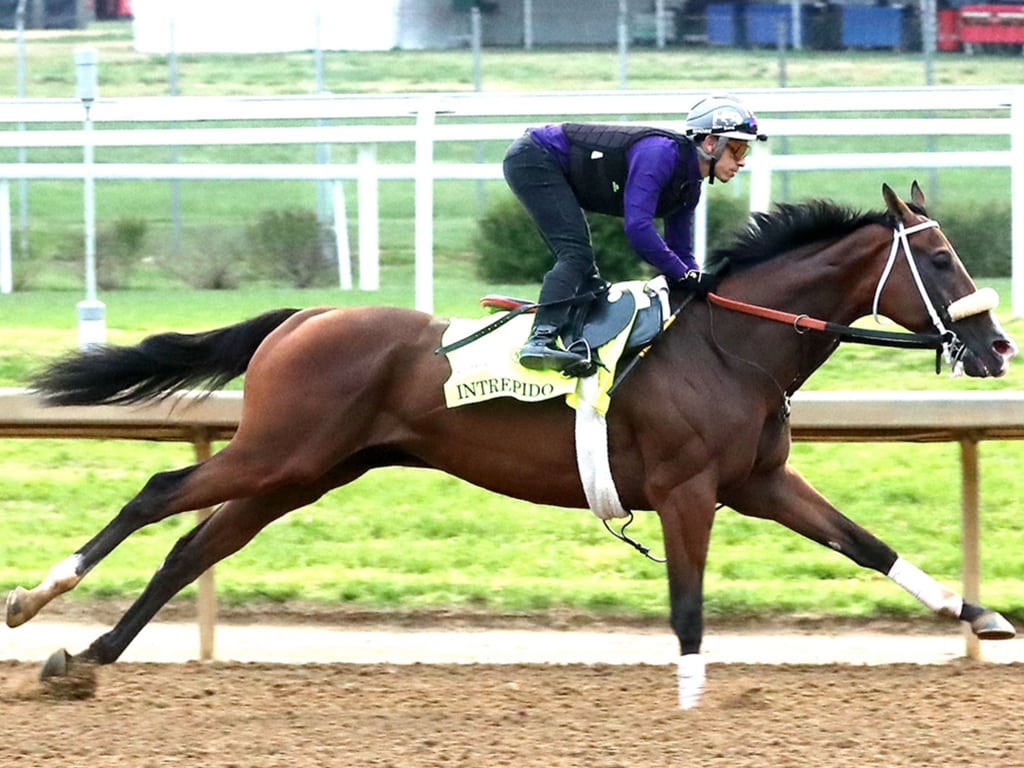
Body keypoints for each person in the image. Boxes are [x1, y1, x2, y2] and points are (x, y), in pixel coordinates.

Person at [503, 93, 767, 373]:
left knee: (590, 280)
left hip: (554, 165)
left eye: (744, 152)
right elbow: (638, 229)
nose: (742, 161)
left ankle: (575, 340)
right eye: (737, 149)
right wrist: (684, 275)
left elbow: (681, 253)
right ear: (711, 143)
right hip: (535, 157)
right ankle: (539, 340)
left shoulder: (690, 187)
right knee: (576, 255)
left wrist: (698, 286)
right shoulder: (660, 154)